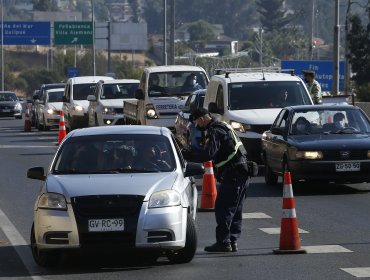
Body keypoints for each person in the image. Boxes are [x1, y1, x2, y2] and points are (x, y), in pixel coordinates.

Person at [182, 108, 257, 253]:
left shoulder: (214, 131)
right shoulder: (224, 126)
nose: (196, 125)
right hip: (242, 172)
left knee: (224, 209)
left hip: (234, 174)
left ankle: (223, 242)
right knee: (235, 209)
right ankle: (232, 241)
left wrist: (186, 154)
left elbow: (207, 154)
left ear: (203, 118)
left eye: (196, 121)